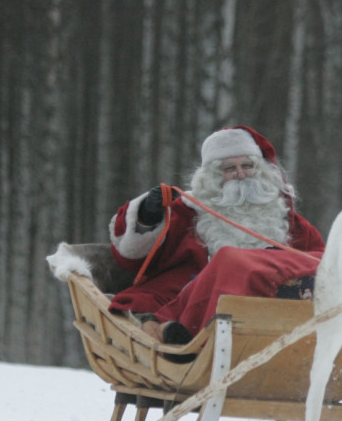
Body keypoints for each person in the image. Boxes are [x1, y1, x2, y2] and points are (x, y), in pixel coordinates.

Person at [108, 126, 325, 349]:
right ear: (211, 176)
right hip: (191, 298)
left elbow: (320, 262)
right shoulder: (187, 211)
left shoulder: (285, 218)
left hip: (272, 307)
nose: (240, 174)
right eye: (229, 168)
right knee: (230, 262)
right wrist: (147, 216)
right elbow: (131, 257)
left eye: (247, 166)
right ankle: (179, 334)